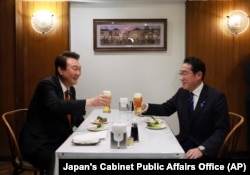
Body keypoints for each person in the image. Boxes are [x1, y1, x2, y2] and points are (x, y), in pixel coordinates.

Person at [19, 51, 111, 173]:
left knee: (92, 153)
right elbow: (56, 106)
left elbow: (76, 116)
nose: (78, 73)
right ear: (60, 70)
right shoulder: (46, 85)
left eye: (80, 69)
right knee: (71, 164)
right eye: (74, 69)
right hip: (40, 144)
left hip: (59, 139)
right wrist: (90, 102)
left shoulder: (70, 90)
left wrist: (95, 128)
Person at [141, 57, 230, 159]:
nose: (181, 78)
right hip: (183, 143)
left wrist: (202, 148)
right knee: (154, 150)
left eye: (184, 73)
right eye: (181, 73)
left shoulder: (216, 97)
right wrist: (145, 107)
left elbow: (222, 130)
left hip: (203, 150)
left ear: (198, 75)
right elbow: (165, 108)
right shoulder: (182, 93)